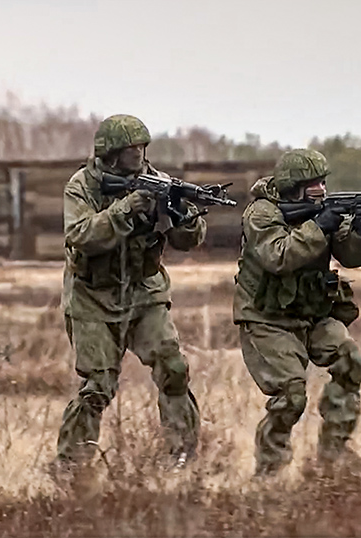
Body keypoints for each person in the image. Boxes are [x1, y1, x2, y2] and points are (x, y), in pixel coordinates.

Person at [55, 114, 206, 467]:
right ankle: (72, 464)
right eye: (130, 148)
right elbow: (81, 236)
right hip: (92, 297)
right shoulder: (83, 186)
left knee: (173, 368)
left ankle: (182, 454)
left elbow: (189, 241)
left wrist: (183, 215)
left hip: (144, 293)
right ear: (110, 153)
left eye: (142, 147)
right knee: (98, 386)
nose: (138, 154)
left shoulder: (158, 182)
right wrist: (128, 207)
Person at [233, 148, 361, 476]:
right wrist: (319, 226)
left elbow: (352, 256)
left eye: (324, 182)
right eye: (314, 184)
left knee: (351, 360)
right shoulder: (261, 213)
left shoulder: (322, 211)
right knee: (291, 395)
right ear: (293, 187)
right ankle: (271, 471)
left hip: (313, 314)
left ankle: (333, 454)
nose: (321, 190)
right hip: (267, 318)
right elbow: (278, 255)